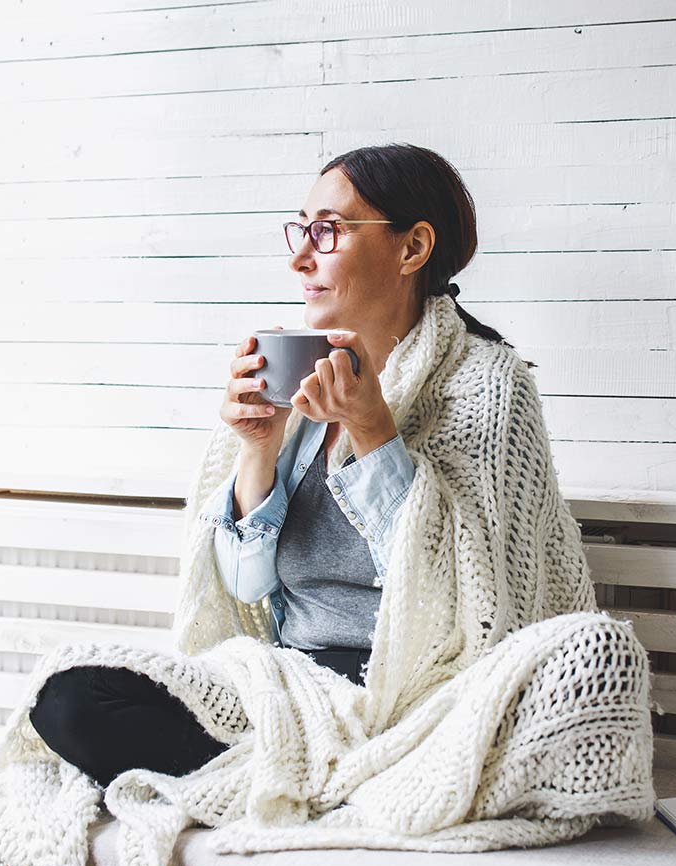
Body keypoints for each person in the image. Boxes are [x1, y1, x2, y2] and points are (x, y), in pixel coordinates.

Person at [28, 143, 525, 789]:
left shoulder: (486, 385)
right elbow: (244, 589)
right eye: (302, 229)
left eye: (329, 230)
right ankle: (317, 778)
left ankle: (313, 776)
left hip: (417, 693)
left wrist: (373, 431)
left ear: (412, 247)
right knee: (70, 700)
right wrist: (258, 449)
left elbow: (469, 598)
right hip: (287, 681)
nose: (300, 256)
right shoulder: (299, 383)